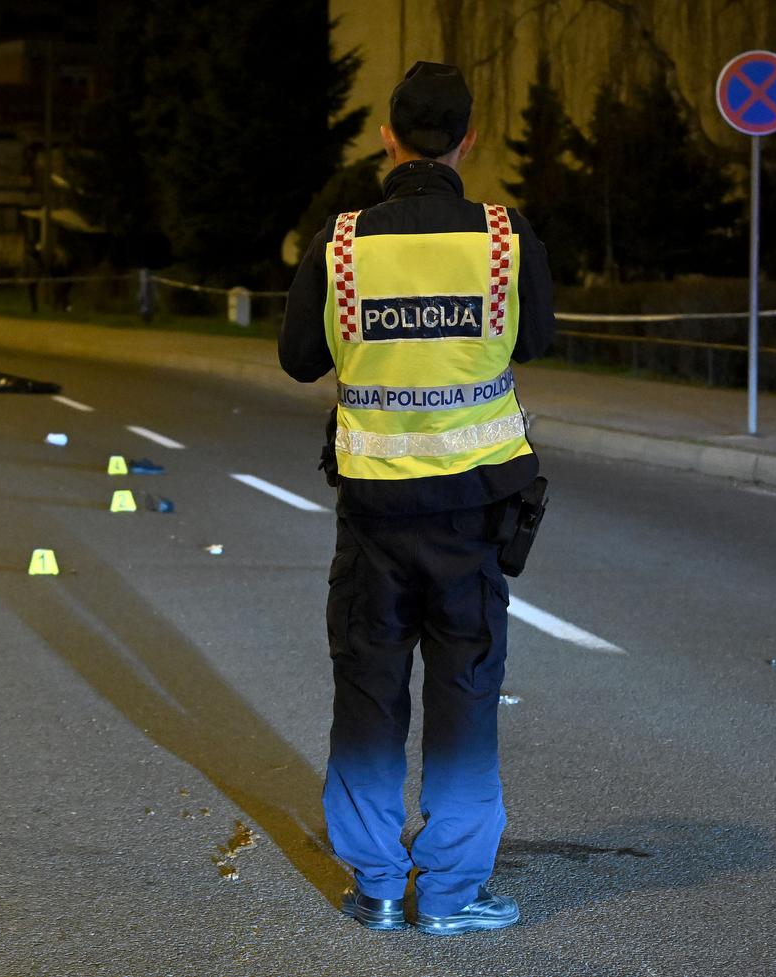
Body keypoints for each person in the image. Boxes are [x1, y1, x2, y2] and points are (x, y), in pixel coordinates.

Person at [278, 60, 556, 935]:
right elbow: (539, 337)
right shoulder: (506, 240)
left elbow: (298, 358)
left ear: (389, 137)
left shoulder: (345, 243)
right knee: (466, 695)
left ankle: (374, 886)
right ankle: (450, 894)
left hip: (376, 516)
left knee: (368, 689)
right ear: (467, 139)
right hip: (476, 518)